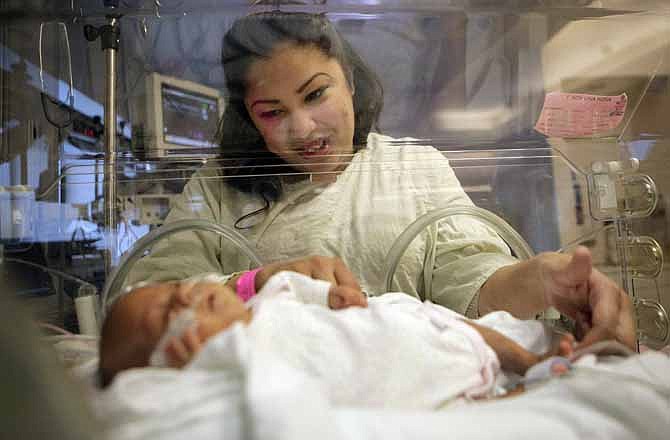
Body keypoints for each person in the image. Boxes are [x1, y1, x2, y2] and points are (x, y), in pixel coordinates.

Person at [124, 11, 635, 353]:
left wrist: (543, 277)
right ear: (249, 119)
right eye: (273, 112)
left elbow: (474, 282)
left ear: (348, 79)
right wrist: (256, 283)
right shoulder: (217, 187)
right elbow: (145, 297)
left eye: (316, 94)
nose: (302, 128)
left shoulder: (413, 168)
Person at [100, 271, 577, 402]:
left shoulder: (266, 299)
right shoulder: (230, 362)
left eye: (172, 288)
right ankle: (535, 390)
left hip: (406, 321)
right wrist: (194, 367)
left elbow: (296, 285)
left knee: (463, 329)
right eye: (165, 318)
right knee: (464, 416)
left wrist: (328, 294)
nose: (183, 296)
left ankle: (525, 361)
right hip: (415, 383)